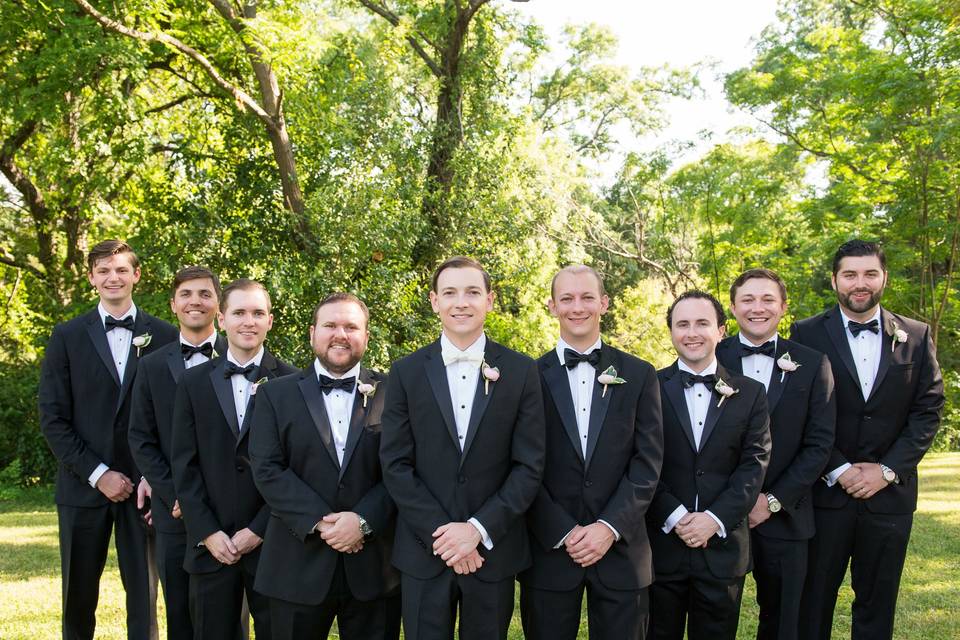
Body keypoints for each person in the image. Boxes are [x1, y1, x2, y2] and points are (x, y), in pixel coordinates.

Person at [380, 256, 545, 640]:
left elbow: (529, 465)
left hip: (493, 551)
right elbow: (395, 464)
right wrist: (446, 535)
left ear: (490, 300)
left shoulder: (521, 371)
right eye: (450, 292)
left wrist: (477, 530)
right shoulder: (405, 371)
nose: (461, 302)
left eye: (472, 292)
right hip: (425, 551)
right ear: (434, 301)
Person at [791, 240, 944, 640]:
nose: (860, 283)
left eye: (870, 274)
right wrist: (839, 469)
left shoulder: (915, 334)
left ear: (884, 277)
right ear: (835, 280)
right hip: (825, 496)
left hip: (890, 498)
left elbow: (927, 411)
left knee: (878, 605)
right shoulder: (805, 334)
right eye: (850, 275)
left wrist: (888, 470)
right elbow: (798, 412)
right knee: (813, 602)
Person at [39, 239, 177, 640]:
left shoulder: (166, 335)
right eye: (103, 270)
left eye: (120, 269)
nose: (112, 277)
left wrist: (157, 477)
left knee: (145, 597)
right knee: (78, 597)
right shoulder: (67, 335)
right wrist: (99, 474)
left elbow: (173, 419)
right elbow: (53, 417)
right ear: (91, 278)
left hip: (144, 490)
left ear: (136, 275)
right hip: (83, 487)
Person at [519, 265, 663, 640]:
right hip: (550, 549)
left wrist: (609, 527)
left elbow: (647, 463)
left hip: (622, 548)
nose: (576, 307)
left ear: (605, 303)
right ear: (552, 306)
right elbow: (521, 464)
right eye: (566, 298)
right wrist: (563, 530)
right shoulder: (527, 376)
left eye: (586, 297)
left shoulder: (639, 373)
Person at [249, 292, 401, 639]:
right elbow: (267, 469)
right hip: (294, 563)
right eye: (330, 325)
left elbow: (403, 467)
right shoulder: (275, 395)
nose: (340, 334)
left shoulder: (394, 393)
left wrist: (363, 521)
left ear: (366, 336)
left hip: (375, 566)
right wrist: (323, 523)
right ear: (312, 332)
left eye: (351, 326)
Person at [171, 278, 296, 640]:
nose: (248, 321)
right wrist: (207, 532)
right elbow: (184, 464)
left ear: (270, 321)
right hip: (211, 544)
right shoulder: (193, 383)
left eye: (258, 313)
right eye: (239, 312)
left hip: (273, 543)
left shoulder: (292, 381)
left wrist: (258, 530)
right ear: (221, 319)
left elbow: (296, 468)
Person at [716, 269, 835, 640]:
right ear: (733, 308)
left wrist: (772, 501)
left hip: (786, 515)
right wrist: (731, 504)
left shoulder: (814, 363)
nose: (757, 308)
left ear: (783, 307)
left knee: (784, 622)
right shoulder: (708, 355)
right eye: (748, 300)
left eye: (768, 299)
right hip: (719, 515)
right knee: (715, 617)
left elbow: (819, 444)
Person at [647, 290, 771, 640]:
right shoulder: (649, 387)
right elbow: (641, 462)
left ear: (721, 329)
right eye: (682, 324)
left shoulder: (750, 392)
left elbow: (754, 464)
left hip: (723, 545)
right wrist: (677, 518)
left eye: (702, 323)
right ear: (670, 331)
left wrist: (712, 520)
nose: (692, 333)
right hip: (662, 545)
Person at [129, 266, 227, 639]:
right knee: (179, 612)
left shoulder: (243, 362)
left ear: (218, 305)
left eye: (204, 293)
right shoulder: (152, 365)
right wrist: (177, 495)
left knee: (229, 613)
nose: (195, 301)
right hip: (173, 511)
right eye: (186, 294)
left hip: (228, 509)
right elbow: (141, 437)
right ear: (173, 305)